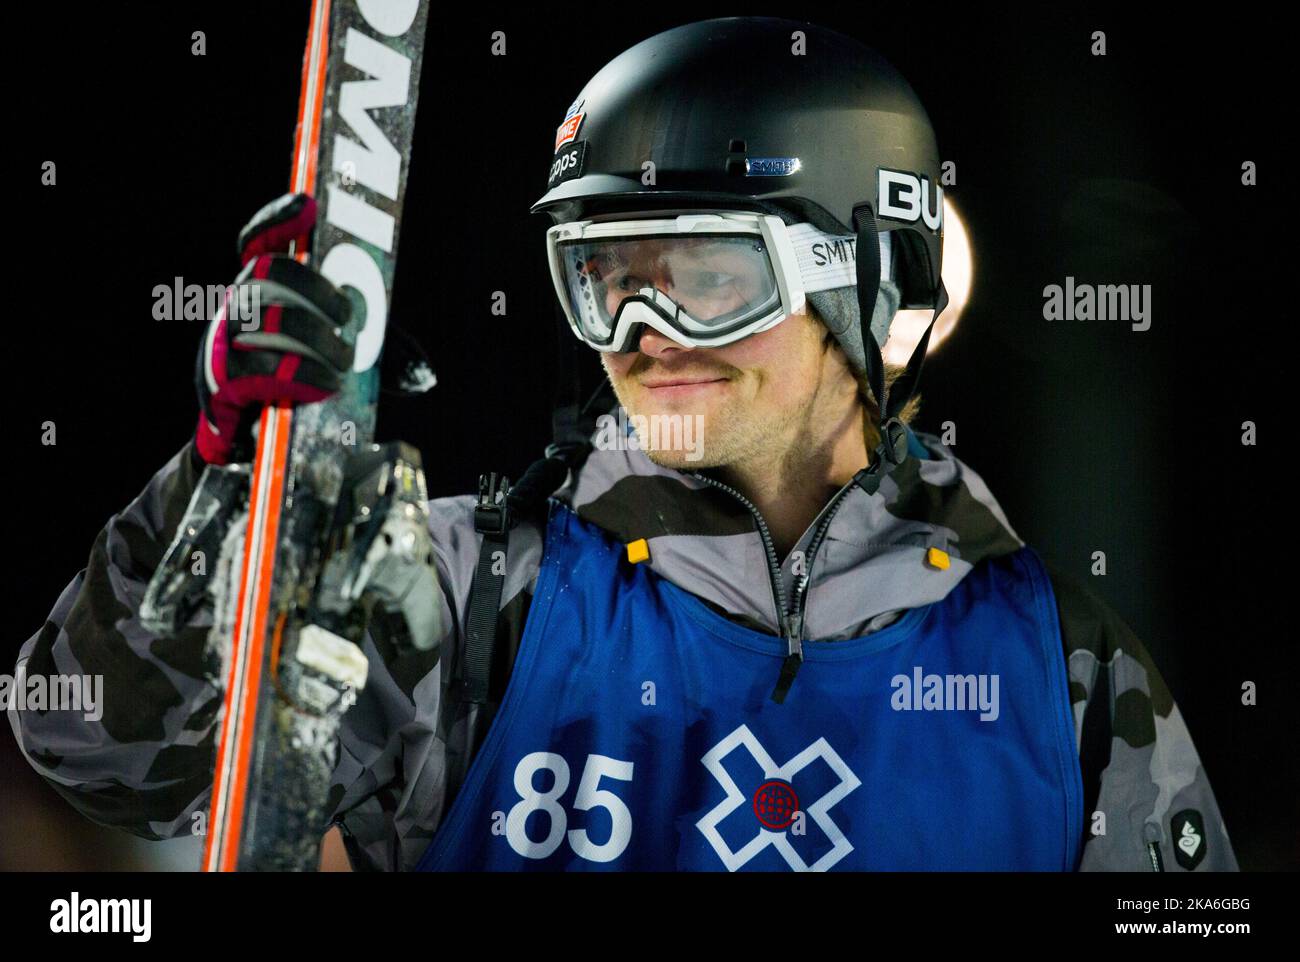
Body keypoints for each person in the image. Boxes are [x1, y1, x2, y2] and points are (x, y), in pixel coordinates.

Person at [8, 16, 1235, 871]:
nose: (645, 332)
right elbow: (101, 756)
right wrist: (227, 484)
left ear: (861, 279)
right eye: (603, 278)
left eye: (708, 272)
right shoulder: (472, 597)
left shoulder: (1063, 673)